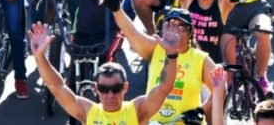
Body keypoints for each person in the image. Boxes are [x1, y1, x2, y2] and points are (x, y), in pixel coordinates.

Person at [29, 21, 183, 125]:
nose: (110, 95)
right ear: (96, 89)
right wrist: (39, 56)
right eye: (104, 89)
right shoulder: (88, 112)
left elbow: (164, 88)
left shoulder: (137, 111)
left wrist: (171, 54)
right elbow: (57, 87)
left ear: (125, 88)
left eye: (115, 88)